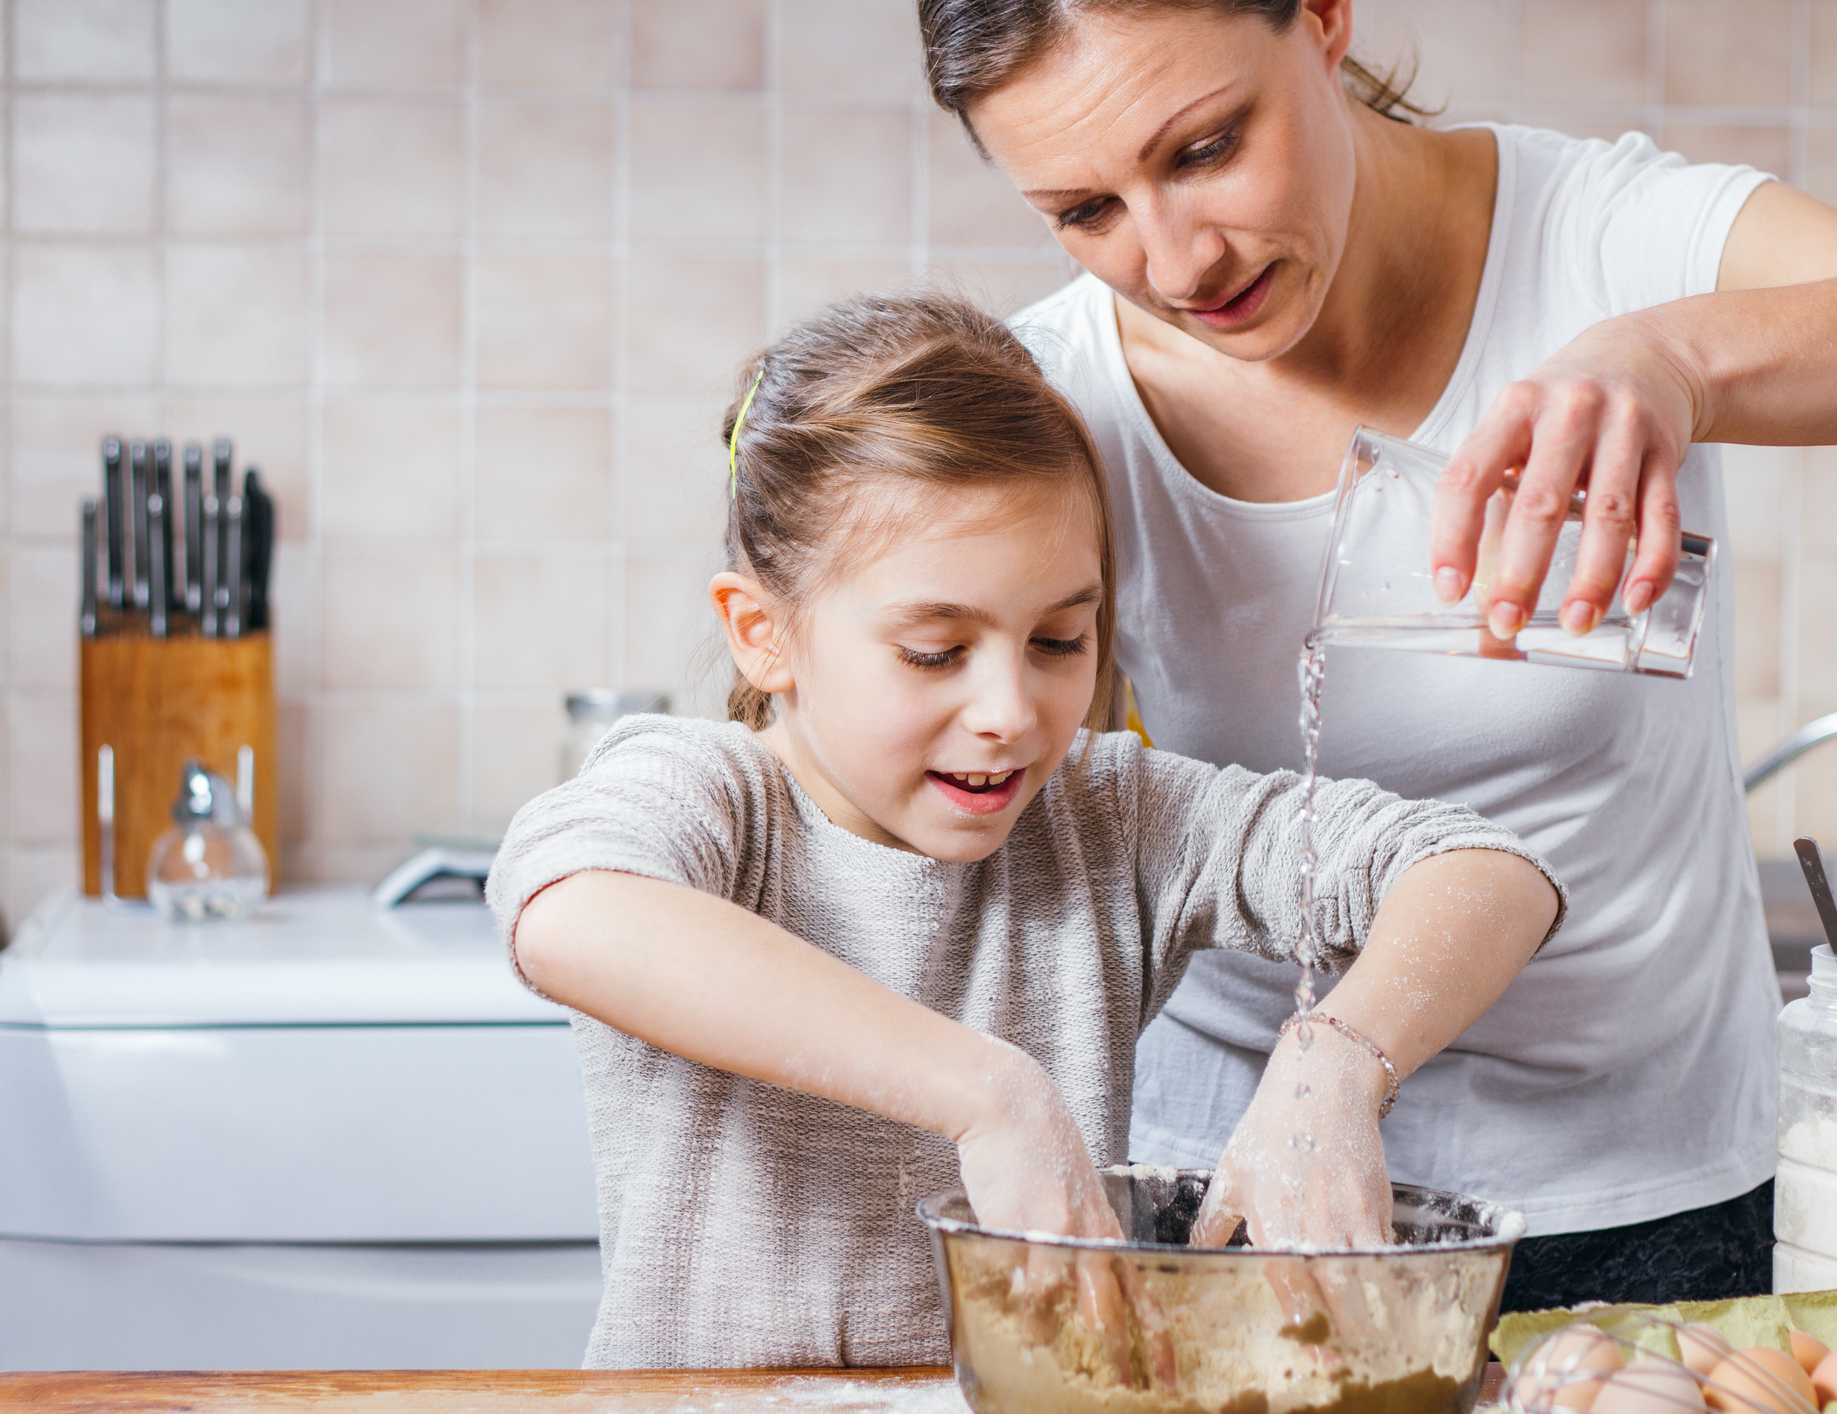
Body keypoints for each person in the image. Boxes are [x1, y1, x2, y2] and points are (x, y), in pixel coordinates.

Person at [914, 0, 1837, 1309]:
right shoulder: (1059, 398)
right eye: (1085, 211)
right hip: (1245, 1193)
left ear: (1321, 19)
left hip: (1656, 1193)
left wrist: (1676, 357)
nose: (1176, 259)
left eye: (1205, 147)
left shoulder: (1605, 239)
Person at [485, 292, 1563, 1369]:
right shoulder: (712, 795)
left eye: (1058, 637)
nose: (1010, 708)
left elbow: (1486, 871)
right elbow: (569, 906)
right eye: (935, 651)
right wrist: (988, 1095)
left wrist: (1335, 1058)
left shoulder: (1108, 815)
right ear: (764, 635)